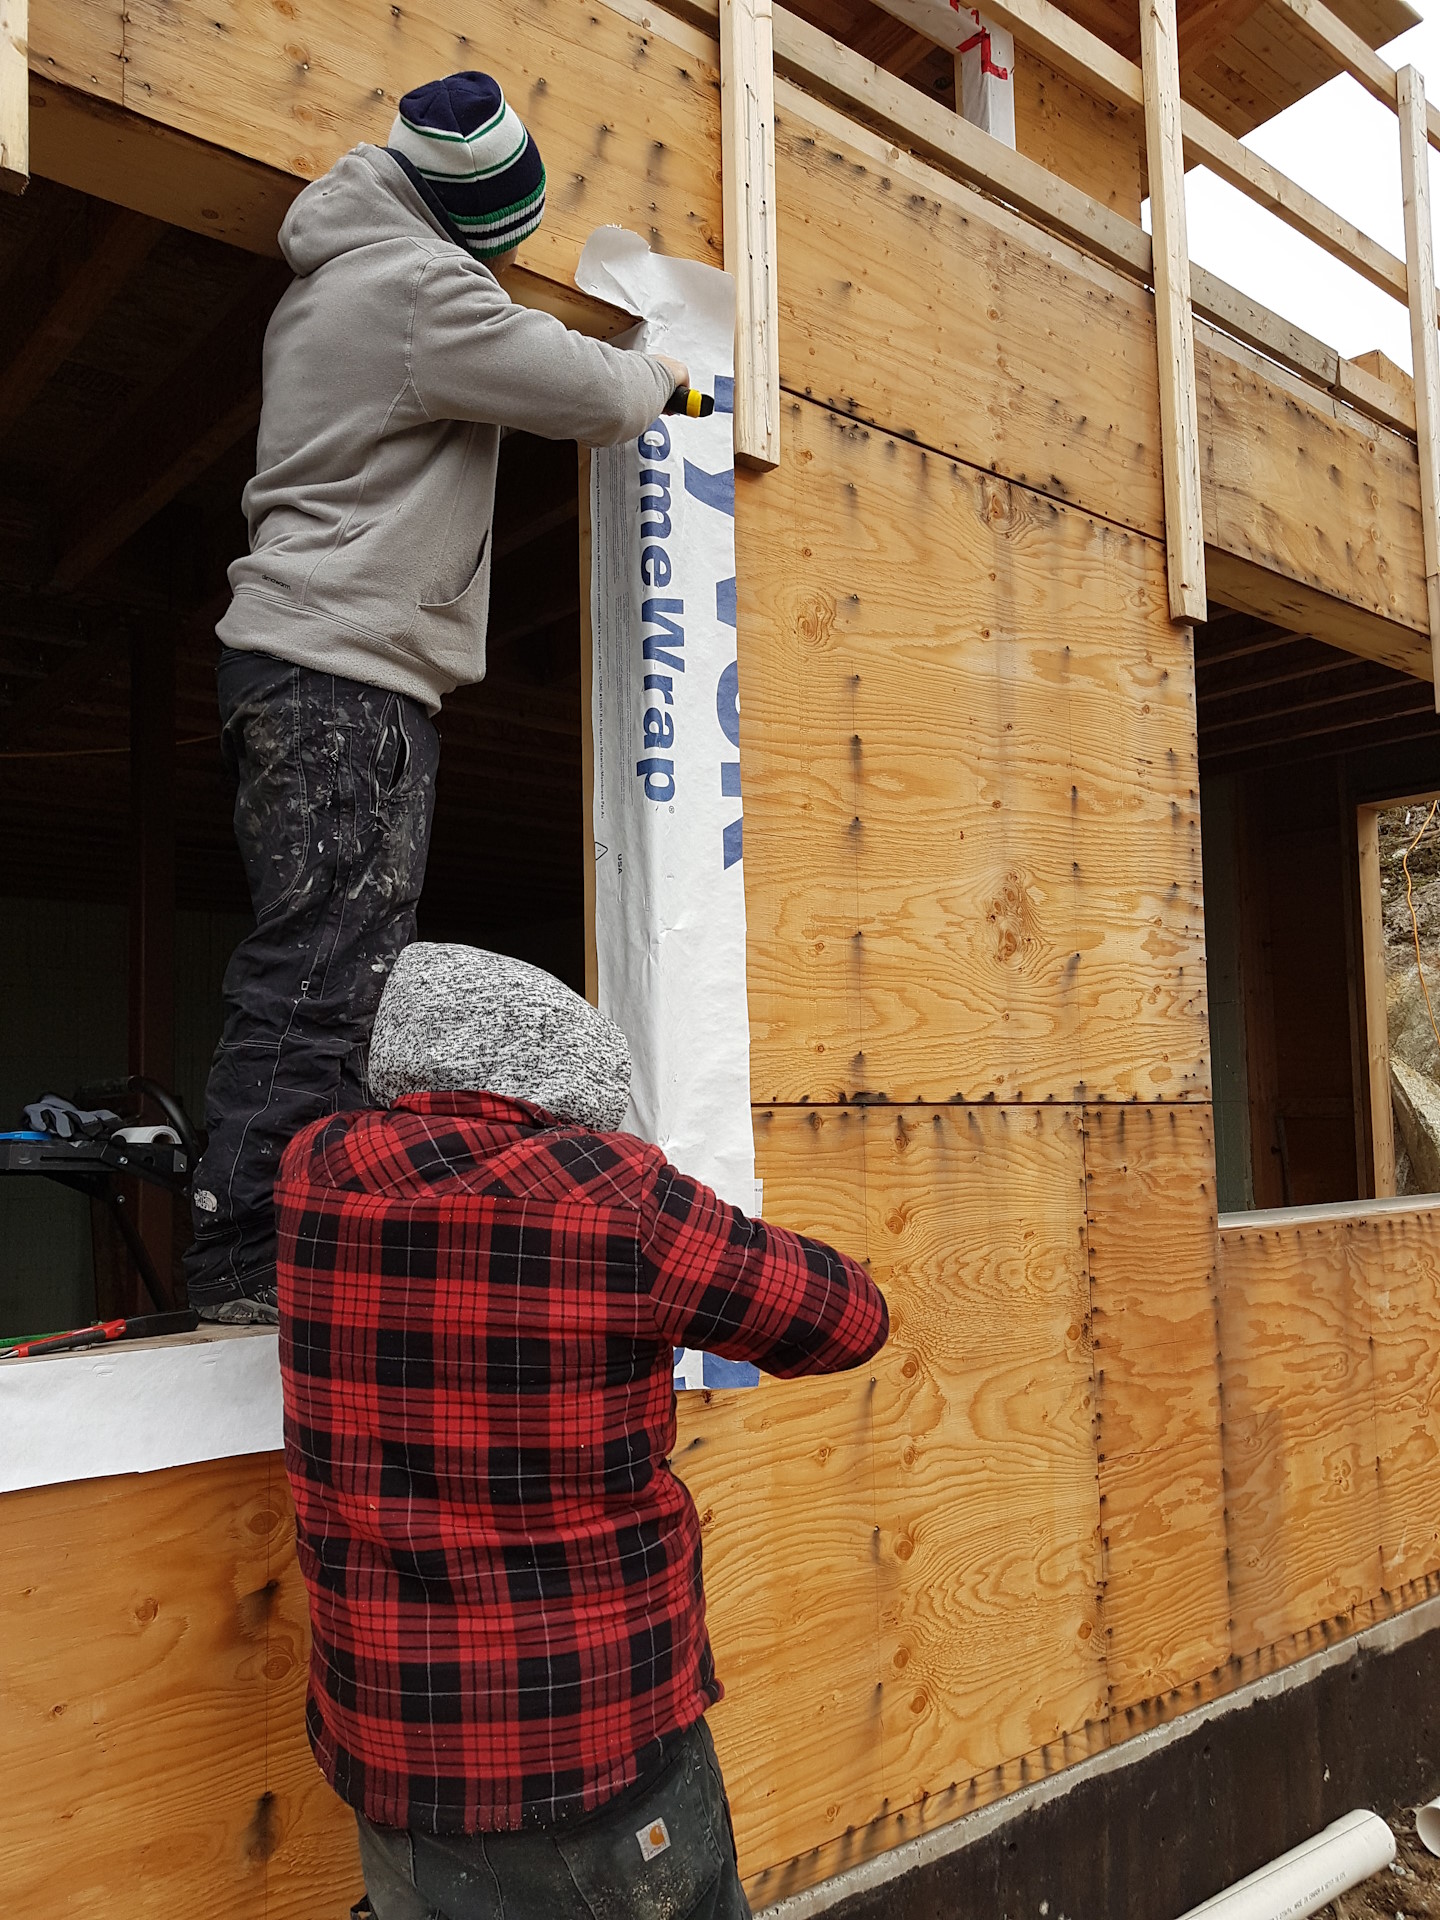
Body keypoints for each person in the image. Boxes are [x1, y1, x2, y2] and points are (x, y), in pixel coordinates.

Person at [185, 72, 688, 1323]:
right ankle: (243, 1257)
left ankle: (292, 1234)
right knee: (323, 969)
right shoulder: (416, 286)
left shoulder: (359, 278)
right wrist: (670, 375)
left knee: (337, 966)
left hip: (324, 672)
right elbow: (593, 392)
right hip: (339, 676)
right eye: (510, 233)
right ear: (478, 218)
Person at [274, 943, 889, 1920]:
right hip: (585, 1741)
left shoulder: (315, 1173)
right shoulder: (617, 1197)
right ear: (565, 1079)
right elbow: (847, 1318)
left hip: (386, 1742)